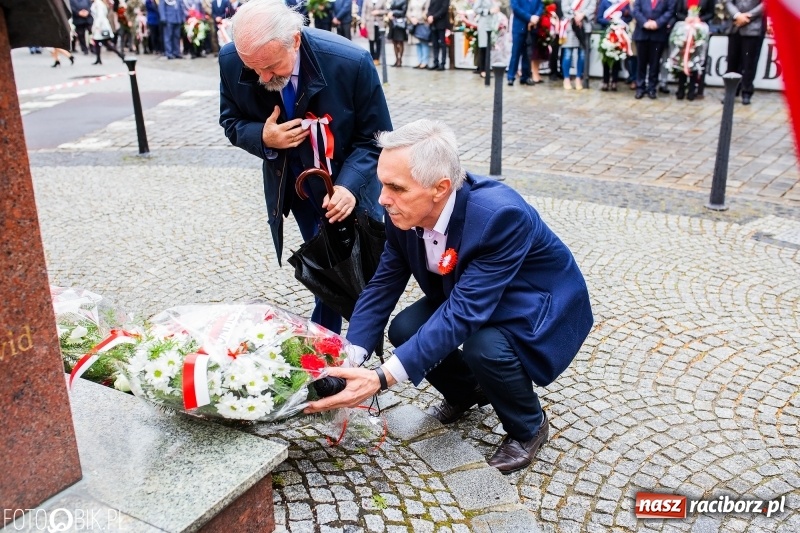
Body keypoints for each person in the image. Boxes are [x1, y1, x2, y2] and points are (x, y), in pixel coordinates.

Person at [304, 120, 594, 475]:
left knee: (484, 346)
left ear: (440, 188)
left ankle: (529, 427)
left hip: (534, 302)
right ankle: (468, 391)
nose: (382, 198)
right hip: (469, 291)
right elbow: (383, 285)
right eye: (382, 184)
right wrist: (351, 356)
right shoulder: (400, 210)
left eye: (395, 187)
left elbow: (464, 313)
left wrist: (381, 378)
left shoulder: (501, 216)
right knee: (406, 328)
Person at [219, 0, 392, 334]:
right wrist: (264, 136)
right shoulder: (231, 59)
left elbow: (376, 138)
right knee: (326, 267)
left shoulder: (350, 62)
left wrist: (348, 186)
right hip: (296, 187)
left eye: (270, 66)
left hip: (348, 186)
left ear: (294, 40)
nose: (263, 77)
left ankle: (350, 350)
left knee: (361, 271)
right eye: (253, 69)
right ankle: (332, 349)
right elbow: (231, 122)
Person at [632, 0, 676, 98]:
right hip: (642, 33)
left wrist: (657, 23)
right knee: (641, 63)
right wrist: (645, 23)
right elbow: (636, 10)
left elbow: (670, 11)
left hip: (658, 35)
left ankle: (652, 88)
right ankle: (640, 87)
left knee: (655, 63)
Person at [671, 0, 714, 100]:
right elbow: (676, 12)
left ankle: (693, 89)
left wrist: (700, 19)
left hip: (700, 30)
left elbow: (711, 13)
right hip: (684, 29)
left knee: (696, 60)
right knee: (682, 58)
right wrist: (686, 18)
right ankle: (681, 88)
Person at [725, 0, 765, 105]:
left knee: (749, 64)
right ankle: (731, 92)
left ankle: (746, 92)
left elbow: (766, 4)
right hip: (735, 26)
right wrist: (737, 15)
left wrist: (748, 16)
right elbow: (728, 2)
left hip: (753, 27)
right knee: (732, 62)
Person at [560, 0, 594, 90]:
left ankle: (578, 78)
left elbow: (592, 7)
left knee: (582, 55)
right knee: (568, 54)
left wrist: (582, 15)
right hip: (570, 26)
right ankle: (566, 78)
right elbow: (565, 7)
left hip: (584, 27)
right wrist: (574, 17)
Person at [507, 0, 542, 86]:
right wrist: (529, 17)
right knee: (516, 53)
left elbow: (540, 6)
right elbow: (515, 7)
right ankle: (511, 77)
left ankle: (525, 77)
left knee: (528, 54)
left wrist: (536, 17)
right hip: (519, 26)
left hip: (532, 26)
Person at [91, 0, 123, 64]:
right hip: (99, 25)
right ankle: (98, 59)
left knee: (105, 43)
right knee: (98, 42)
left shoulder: (98, 4)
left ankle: (121, 55)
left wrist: (97, 26)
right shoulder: (97, 3)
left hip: (101, 26)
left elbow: (100, 16)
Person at [361, 0, 387, 65]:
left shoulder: (382, 1)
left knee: (379, 41)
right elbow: (363, 11)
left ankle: (377, 58)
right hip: (369, 23)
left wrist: (378, 12)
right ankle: (372, 57)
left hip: (379, 24)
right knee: (371, 41)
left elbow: (386, 11)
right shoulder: (366, 1)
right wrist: (363, 22)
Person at [407, 0, 431, 68]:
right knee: (417, 43)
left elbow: (426, 11)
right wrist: (412, 18)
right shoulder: (412, 1)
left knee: (424, 43)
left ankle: (424, 62)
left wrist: (418, 19)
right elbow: (408, 11)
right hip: (413, 24)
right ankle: (419, 61)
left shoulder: (426, 1)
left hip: (422, 23)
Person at [426, 0, 449, 70]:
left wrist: (434, 17)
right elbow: (430, 8)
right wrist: (429, 16)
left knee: (442, 44)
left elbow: (444, 9)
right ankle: (435, 62)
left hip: (441, 23)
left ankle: (443, 63)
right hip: (433, 24)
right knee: (435, 44)